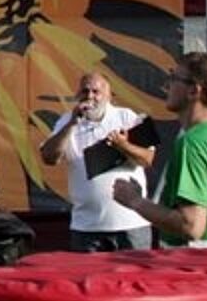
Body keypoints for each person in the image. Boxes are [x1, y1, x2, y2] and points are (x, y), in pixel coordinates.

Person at [112, 52, 207, 247]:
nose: (167, 86)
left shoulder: (193, 143)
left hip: (194, 263)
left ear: (194, 91)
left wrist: (135, 201)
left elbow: (191, 225)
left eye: (174, 78)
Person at [38, 72, 155, 251]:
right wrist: (71, 124)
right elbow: (48, 158)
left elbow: (147, 159)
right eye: (85, 91)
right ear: (78, 95)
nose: (90, 96)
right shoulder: (66, 121)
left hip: (131, 225)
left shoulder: (126, 117)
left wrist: (123, 145)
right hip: (87, 228)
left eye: (96, 91)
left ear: (108, 96)